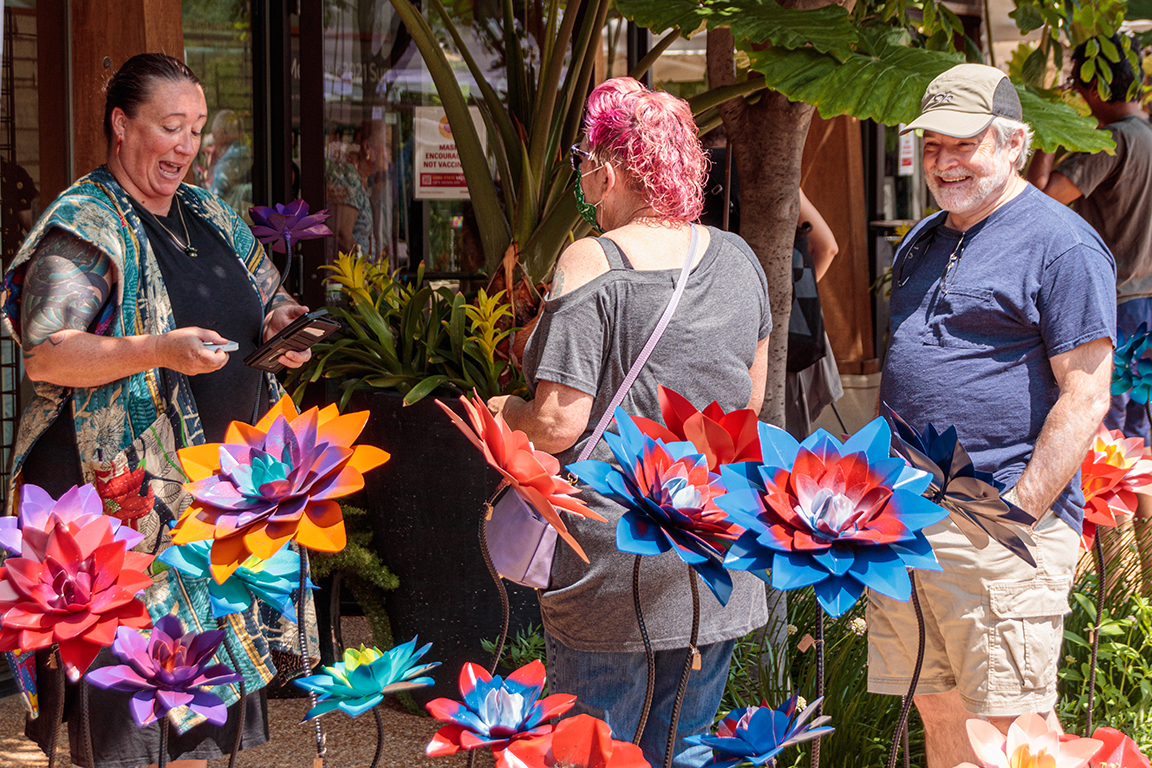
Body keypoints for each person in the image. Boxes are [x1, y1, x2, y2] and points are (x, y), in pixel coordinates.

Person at [1, 53, 312, 768]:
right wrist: (156, 351)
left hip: (212, 512)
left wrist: (284, 325)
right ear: (121, 124)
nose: (186, 146)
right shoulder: (85, 222)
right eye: (171, 127)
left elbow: (266, 302)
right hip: (116, 525)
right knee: (126, 736)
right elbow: (48, 352)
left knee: (196, 727)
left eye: (196, 130)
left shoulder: (209, 214)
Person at [488, 77, 771, 768]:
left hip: (615, 565)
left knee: (596, 751)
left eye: (586, 165)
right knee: (687, 751)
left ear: (608, 171)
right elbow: (749, 407)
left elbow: (557, 422)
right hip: (716, 554)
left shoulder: (593, 260)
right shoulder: (738, 259)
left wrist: (503, 412)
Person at [867, 63, 1115, 768]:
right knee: (940, 712)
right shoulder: (923, 238)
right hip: (908, 518)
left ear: (1015, 143)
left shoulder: (1061, 243)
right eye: (933, 146)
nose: (944, 162)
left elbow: (1087, 393)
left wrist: (1018, 513)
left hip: (1000, 522)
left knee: (1014, 733)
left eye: (963, 144)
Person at [1028, 38, 1152, 594]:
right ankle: (1141, 582)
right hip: (1147, 304)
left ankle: (1115, 585)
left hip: (1119, 310)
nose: (1077, 93)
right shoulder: (1148, 134)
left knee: (1104, 444)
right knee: (1140, 443)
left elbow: (1039, 202)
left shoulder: (1111, 142)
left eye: (1080, 84)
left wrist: (1046, 142)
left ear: (1098, 86)